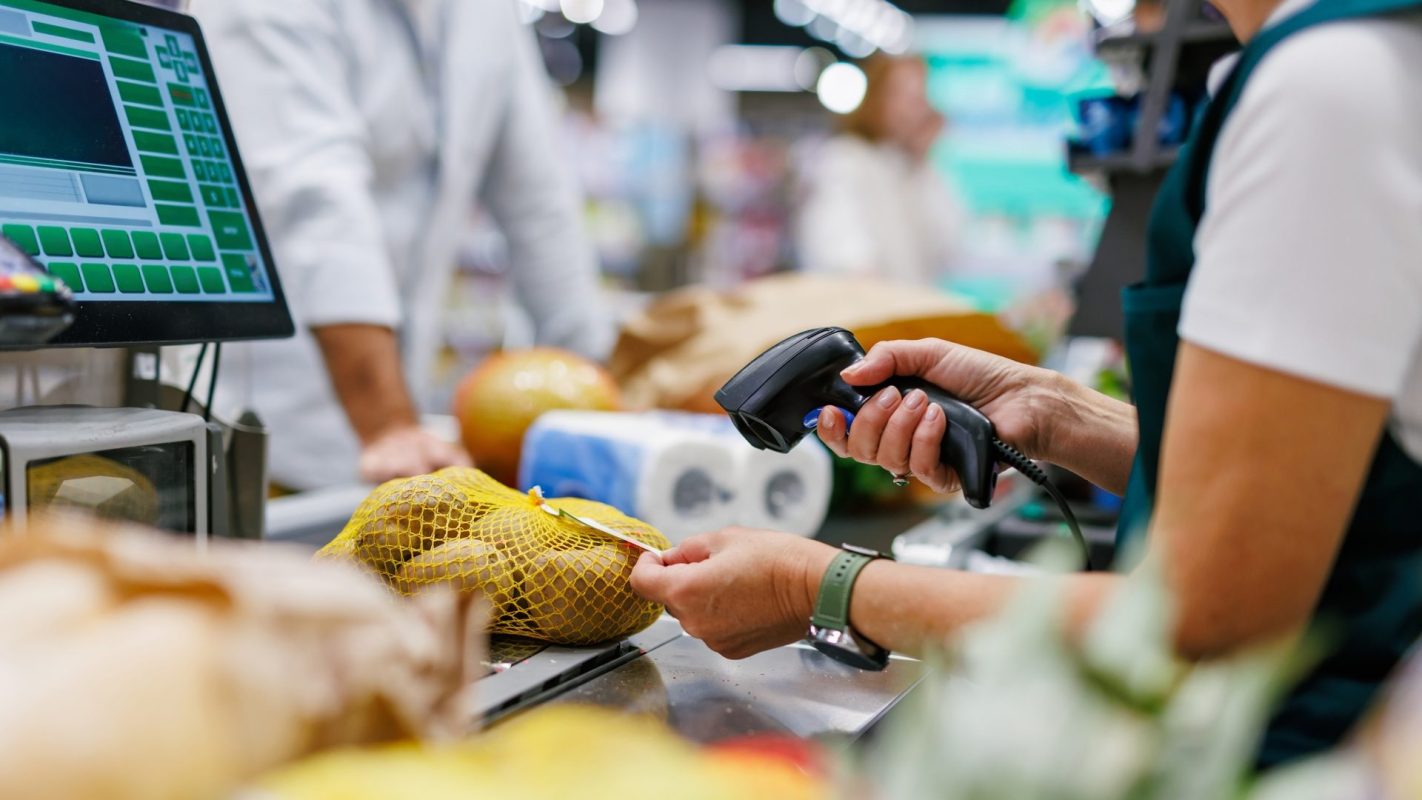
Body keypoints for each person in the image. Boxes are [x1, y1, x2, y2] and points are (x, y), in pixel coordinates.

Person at [632, 0, 1422, 768]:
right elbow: (1310, 479)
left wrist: (815, 586)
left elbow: (1199, 623)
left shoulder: (1324, 90)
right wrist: (1058, 413)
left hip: (1303, 751)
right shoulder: (1339, 63)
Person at [189, 0, 614, 490]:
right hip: (268, 448)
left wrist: (604, 409)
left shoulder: (485, 15)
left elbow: (541, 207)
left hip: (403, 437)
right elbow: (318, 204)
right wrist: (388, 425)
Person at [795, 54, 966, 285]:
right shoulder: (846, 158)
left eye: (919, 97)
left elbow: (948, 247)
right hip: (867, 309)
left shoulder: (914, 168)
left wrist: (923, 161)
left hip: (908, 308)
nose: (914, 110)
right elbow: (839, 242)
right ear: (876, 98)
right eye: (903, 96)